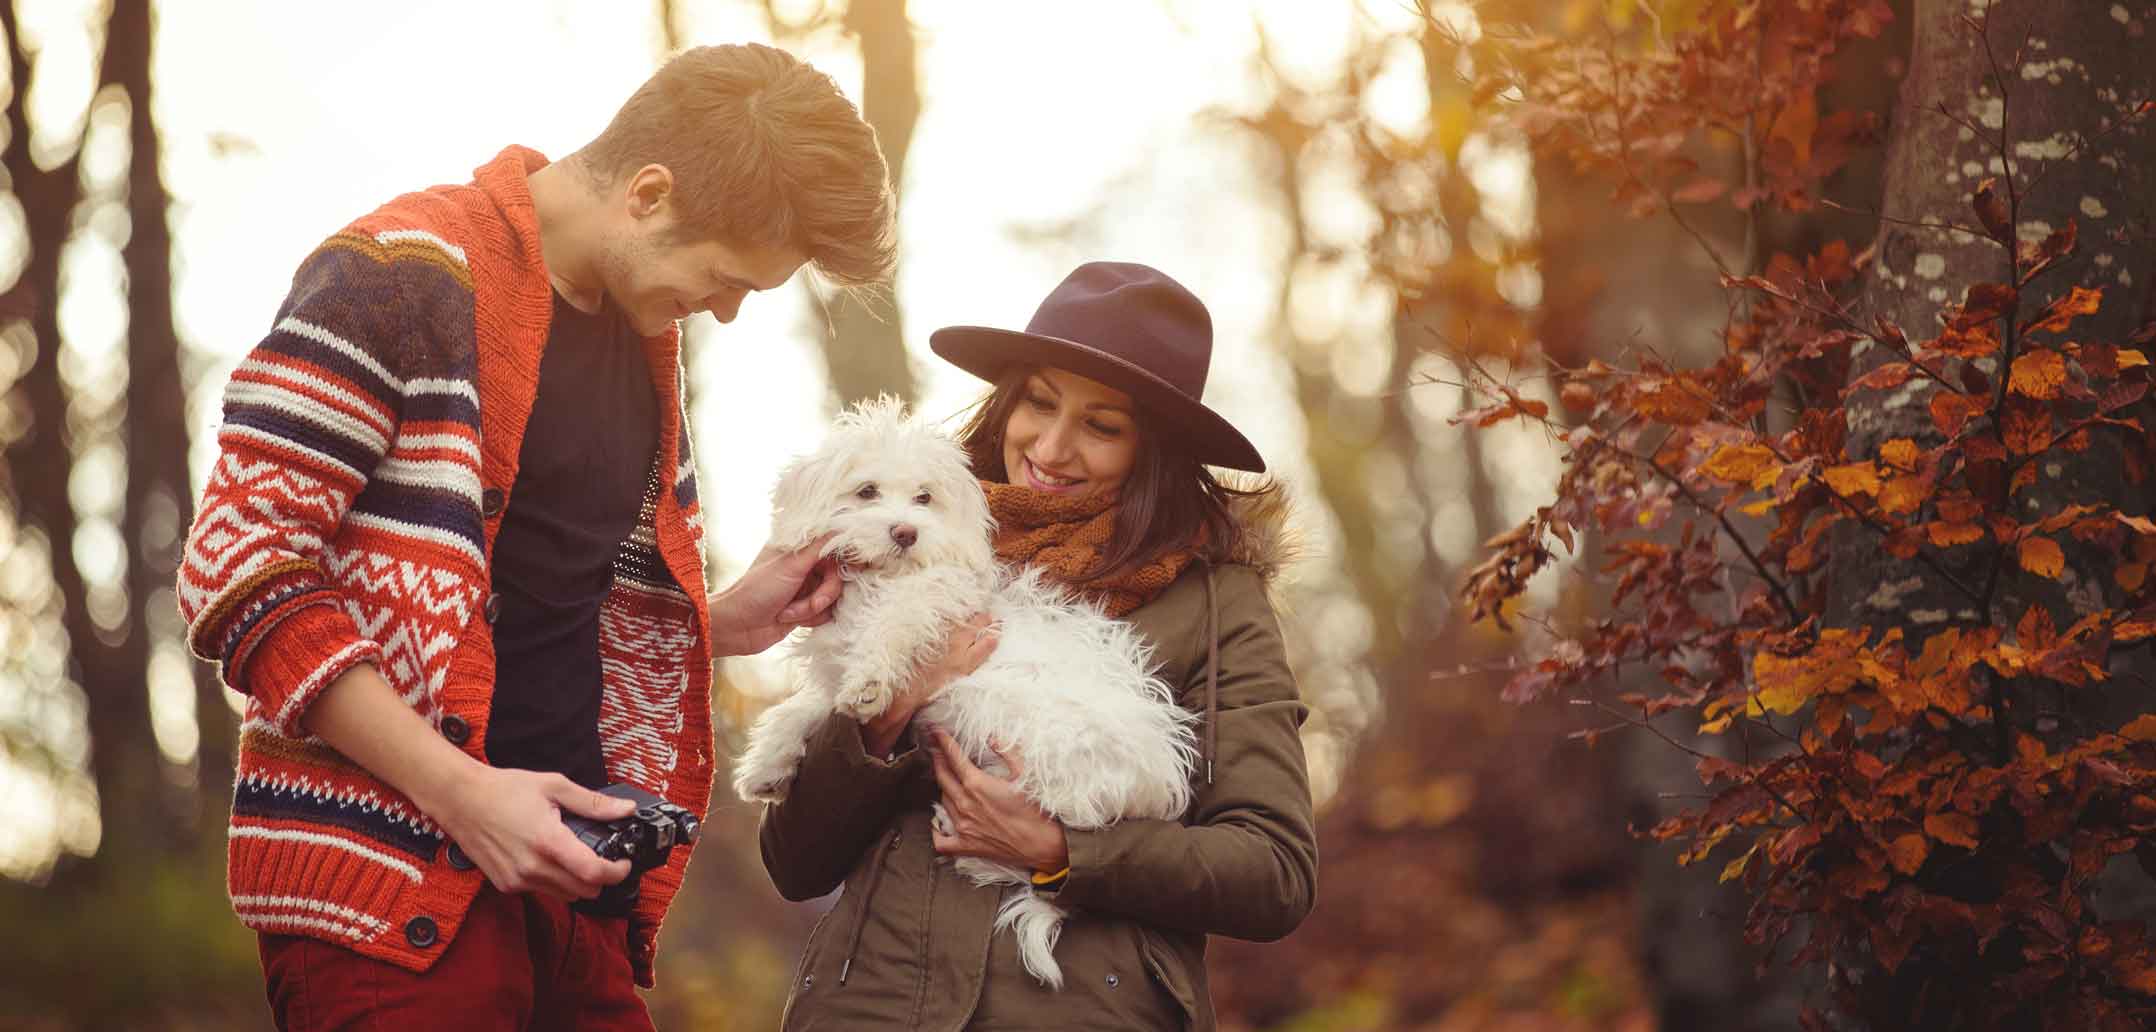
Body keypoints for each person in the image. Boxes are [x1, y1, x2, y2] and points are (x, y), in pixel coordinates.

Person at [175, 43, 894, 1031]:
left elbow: (536, 598)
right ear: (648, 194)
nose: (727, 309)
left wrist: (714, 623)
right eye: (725, 277)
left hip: (568, 892)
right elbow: (241, 563)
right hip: (394, 898)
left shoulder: (643, 340)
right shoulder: (393, 275)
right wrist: (465, 797)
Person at [758, 262, 1319, 1030]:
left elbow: (1274, 872)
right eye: (1040, 403)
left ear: (1152, 449)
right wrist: (887, 715)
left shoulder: (1215, 601)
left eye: (1102, 425)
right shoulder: (911, 539)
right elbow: (794, 862)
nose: (1051, 448)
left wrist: (1059, 850)